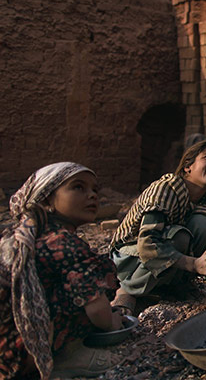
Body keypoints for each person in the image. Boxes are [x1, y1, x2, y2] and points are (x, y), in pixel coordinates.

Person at [0, 162, 122, 379]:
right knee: (101, 272)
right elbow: (98, 312)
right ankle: (67, 355)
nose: (92, 195)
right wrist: (112, 323)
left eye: (95, 189)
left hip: (5, 351)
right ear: (47, 199)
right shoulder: (63, 242)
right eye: (78, 187)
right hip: (23, 354)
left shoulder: (25, 234)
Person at [109, 139, 206, 315]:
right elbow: (148, 244)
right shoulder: (167, 188)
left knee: (205, 224)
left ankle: (169, 286)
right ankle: (128, 290)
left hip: (165, 258)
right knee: (179, 236)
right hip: (129, 259)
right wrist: (194, 264)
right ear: (188, 166)